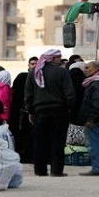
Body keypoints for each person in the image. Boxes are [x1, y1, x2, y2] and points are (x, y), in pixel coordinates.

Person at [25, 49, 76, 177]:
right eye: (58, 57)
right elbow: (69, 93)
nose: (60, 59)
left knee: (40, 142)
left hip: (40, 112)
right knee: (58, 141)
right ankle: (56, 170)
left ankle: (40, 170)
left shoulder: (33, 73)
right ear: (52, 59)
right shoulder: (62, 72)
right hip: (59, 111)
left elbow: (28, 95)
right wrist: (69, 108)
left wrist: (30, 111)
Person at [10, 56, 38, 163]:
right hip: (23, 112)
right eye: (32, 64)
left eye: (36, 63)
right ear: (28, 65)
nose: (34, 66)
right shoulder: (22, 77)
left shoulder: (42, 79)